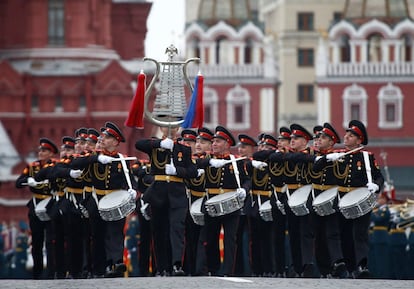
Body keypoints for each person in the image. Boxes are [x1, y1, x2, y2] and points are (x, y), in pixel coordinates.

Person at [315, 120, 384, 278]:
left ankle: (361, 266)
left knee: (360, 234)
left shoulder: (367, 157)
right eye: (347, 134)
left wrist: (376, 186)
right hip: (340, 199)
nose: (346, 137)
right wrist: (326, 159)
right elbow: (316, 169)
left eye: (351, 135)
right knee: (341, 233)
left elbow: (379, 176)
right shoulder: (338, 156)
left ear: (359, 140)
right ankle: (343, 264)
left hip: (360, 199)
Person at [71, 121, 136, 278]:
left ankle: (117, 263)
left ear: (115, 142)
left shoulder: (122, 159)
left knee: (116, 233)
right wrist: (97, 159)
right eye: (103, 137)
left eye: (106, 138)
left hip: (116, 200)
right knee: (98, 234)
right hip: (97, 200)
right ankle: (100, 268)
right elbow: (75, 163)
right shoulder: (92, 156)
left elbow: (129, 178)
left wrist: (133, 190)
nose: (102, 140)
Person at [135, 125, 198, 276]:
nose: (170, 129)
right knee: (159, 231)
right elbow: (139, 144)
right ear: (161, 129)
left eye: (174, 126)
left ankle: (176, 264)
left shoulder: (184, 149)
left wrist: (177, 171)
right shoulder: (154, 146)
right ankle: (161, 267)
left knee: (177, 229)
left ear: (178, 129)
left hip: (177, 193)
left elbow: (192, 172)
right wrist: (160, 144)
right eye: (166, 126)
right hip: (158, 192)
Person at [197, 126, 251, 277]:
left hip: (231, 204)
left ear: (227, 144)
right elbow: (195, 164)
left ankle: (228, 270)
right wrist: (209, 163)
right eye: (213, 141)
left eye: (218, 141)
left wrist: (244, 190)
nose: (214, 144)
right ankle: (212, 268)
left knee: (230, 239)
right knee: (210, 238)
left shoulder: (236, 162)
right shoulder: (206, 159)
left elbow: (247, 180)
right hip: (211, 203)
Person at [307, 123, 348, 278]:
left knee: (333, 233)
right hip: (316, 199)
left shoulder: (340, 156)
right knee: (318, 235)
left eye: (323, 137)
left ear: (331, 142)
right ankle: (324, 269)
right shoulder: (314, 156)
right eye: (319, 137)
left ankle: (338, 263)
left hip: (332, 200)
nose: (319, 139)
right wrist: (325, 159)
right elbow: (314, 169)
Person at [15, 138, 59, 279]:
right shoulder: (32, 166)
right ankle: (37, 273)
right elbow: (18, 182)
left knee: (52, 241)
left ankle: (53, 272)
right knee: (36, 241)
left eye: (44, 150)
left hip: (51, 204)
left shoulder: (56, 165)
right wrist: (27, 180)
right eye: (40, 150)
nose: (40, 153)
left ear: (51, 153)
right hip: (36, 205)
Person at [243, 133, 275, 277]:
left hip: (269, 202)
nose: (262, 149)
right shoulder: (254, 161)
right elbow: (244, 165)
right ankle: (257, 269)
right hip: (255, 203)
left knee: (270, 238)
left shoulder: (275, 162)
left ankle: (271, 268)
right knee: (255, 239)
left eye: (266, 146)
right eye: (261, 146)